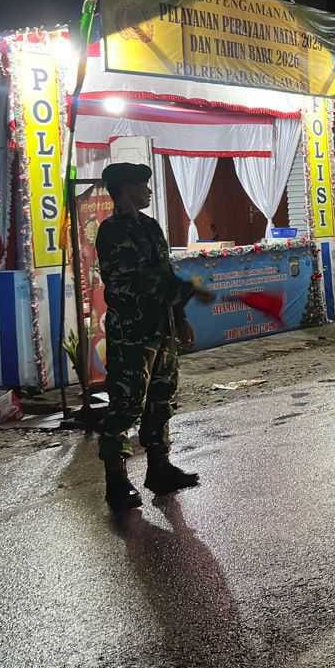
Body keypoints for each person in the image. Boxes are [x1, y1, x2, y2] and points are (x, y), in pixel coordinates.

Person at [95, 162, 215, 510]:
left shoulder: (150, 227)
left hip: (161, 329)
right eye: (141, 185)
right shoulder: (112, 231)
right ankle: (116, 480)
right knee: (126, 405)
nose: (148, 190)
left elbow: (164, 273)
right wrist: (187, 289)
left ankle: (159, 468)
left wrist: (181, 316)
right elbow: (137, 281)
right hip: (132, 333)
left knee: (161, 398)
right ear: (124, 189)